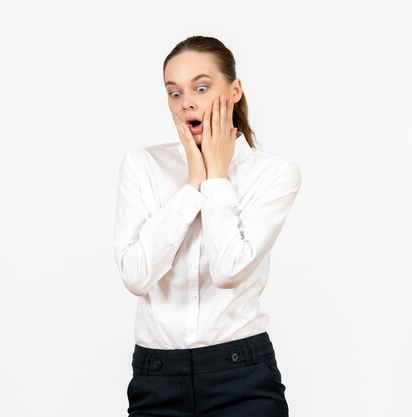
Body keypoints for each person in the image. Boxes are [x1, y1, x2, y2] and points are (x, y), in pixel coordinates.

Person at [113, 35, 301, 417]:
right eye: (175, 93)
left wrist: (216, 176)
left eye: (201, 87)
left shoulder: (273, 173)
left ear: (234, 90)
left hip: (242, 374)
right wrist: (192, 184)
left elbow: (228, 269)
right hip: (156, 377)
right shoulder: (142, 166)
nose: (188, 104)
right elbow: (135, 276)